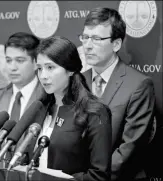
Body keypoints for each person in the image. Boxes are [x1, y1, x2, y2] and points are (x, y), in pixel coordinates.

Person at [81, 7, 156, 181]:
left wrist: (92, 178)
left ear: (116, 44)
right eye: (85, 37)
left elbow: (130, 147)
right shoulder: (78, 81)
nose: (87, 45)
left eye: (97, 39)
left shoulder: (139, 84)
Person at [31, 36, 112, 181]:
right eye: (39, 68)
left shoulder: (95, 112)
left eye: (50, 67)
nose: (43, 76)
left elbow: (99, 175)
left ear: (70, 70)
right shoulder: (39, 108)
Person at [0, 32, 45, 167]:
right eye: (8, 60)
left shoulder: (47, 98)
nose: (12, 67)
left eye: (20, 61)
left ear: (35, 63)